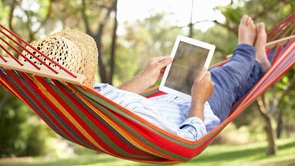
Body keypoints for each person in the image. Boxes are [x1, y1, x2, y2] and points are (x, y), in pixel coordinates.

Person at [20, 15, 271, 141]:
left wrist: (144, 78)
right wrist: (197, 99)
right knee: (224, 75)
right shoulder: (87, 106)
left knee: (231, 84)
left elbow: (114, 100)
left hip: (171, 98)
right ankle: (247, 50)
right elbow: (188, 139)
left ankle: (259, 65)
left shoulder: (82, 102)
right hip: (199, 109)